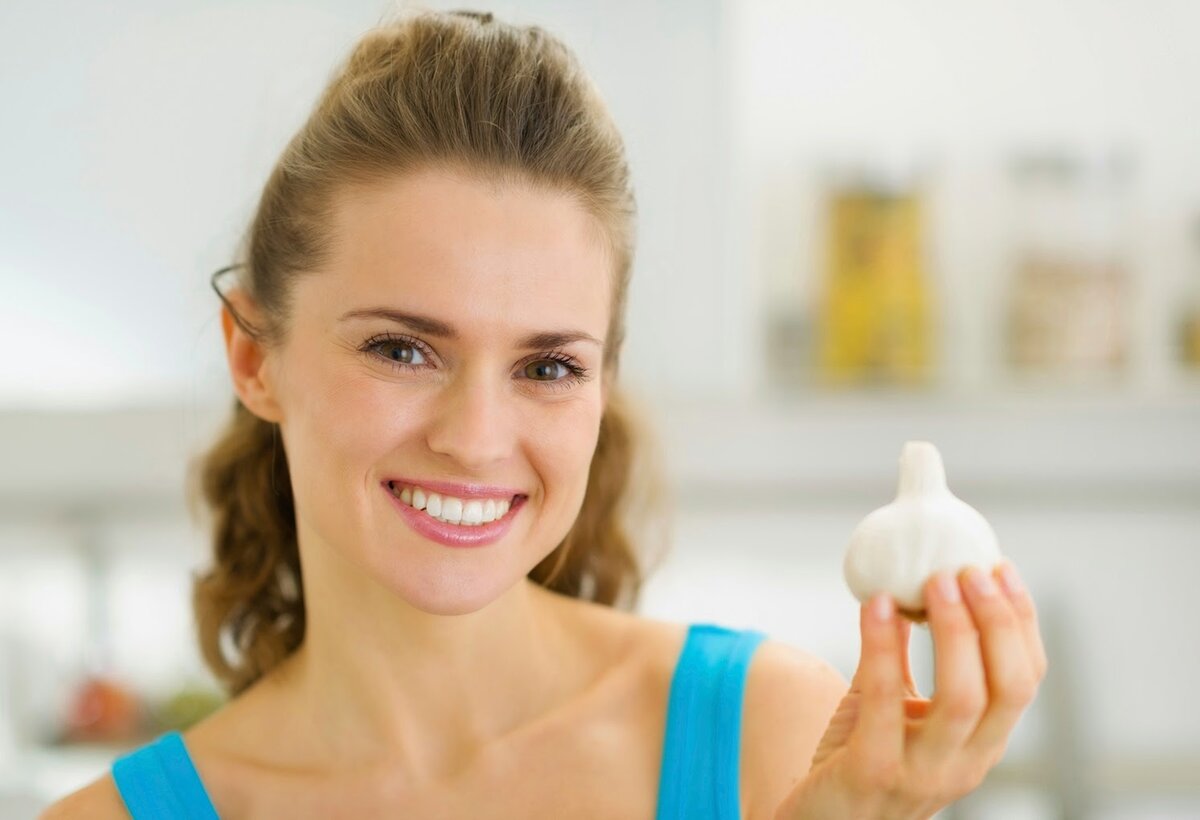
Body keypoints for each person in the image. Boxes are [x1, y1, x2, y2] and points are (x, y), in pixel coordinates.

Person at [42, 8, 1046, 819]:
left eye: (548, 366)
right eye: (402, 349)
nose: (477, 438)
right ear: (254, 356)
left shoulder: (774, 739)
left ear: (602, 386)